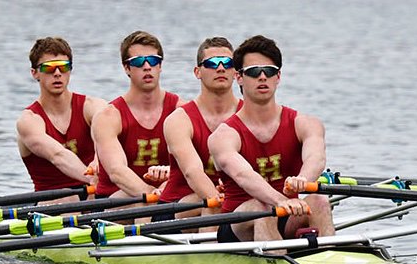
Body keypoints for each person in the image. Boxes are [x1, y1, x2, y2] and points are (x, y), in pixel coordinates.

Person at [209, 35, 334, 244]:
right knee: (263, 207)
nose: (262, 77)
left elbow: (316, 158)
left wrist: (303, 180)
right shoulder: (223, 136)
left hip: (286, 215)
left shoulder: (306, 123)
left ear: (278, 77)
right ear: (239, 77)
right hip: (238, 224)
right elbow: (243, 175)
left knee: (319, 200)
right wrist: (281, 200)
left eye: (269, 71)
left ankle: (332, 260)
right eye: (254, 72)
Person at [158, 36, 241, 223]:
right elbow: (192, 172)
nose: (221, 68)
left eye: (228, 63)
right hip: (177, 210)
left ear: (236, 71)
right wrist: (225, 207)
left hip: (235, 207)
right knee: (209, 204)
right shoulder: (178, 120)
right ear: (197, 72)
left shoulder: (250, 115)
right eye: (212, 63)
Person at [91, 30, 181, 199]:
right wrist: (153, 196)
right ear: (126, 68)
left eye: (153, 61)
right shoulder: (108, 117)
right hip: (117, 200)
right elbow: (117, 172)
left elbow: (193, 166)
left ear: (160, 66)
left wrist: (166, 185)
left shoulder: (180, 110)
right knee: (142, 204)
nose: (147, 66)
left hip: (165, 197)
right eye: (139, 62)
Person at [15, 37, 103, 200]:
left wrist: (99, 159)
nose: (57, 73)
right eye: (49, 68)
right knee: (70, 199)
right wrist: (91, 179)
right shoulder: (29, 121)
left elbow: (106, 136)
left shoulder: (93, 106)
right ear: (34, 73)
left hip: (94, 195)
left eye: (63, 67)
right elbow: (58, 155)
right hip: (52, 201)